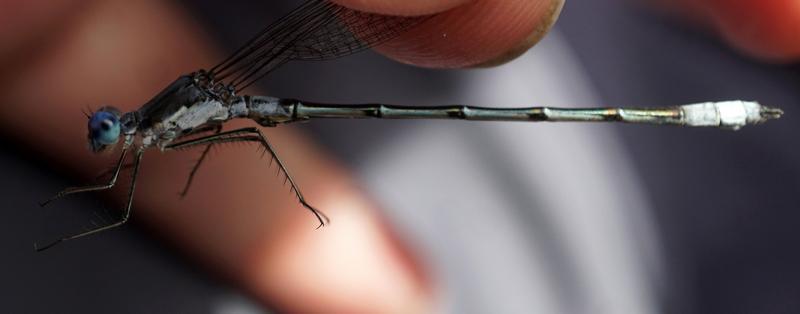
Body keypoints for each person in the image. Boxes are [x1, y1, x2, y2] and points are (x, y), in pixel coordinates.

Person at [0, 0, 796, 312]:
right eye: (106, 131)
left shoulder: (155, 122)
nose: (107, 133)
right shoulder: (149, 121)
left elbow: (200, 161)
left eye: (107, 131)